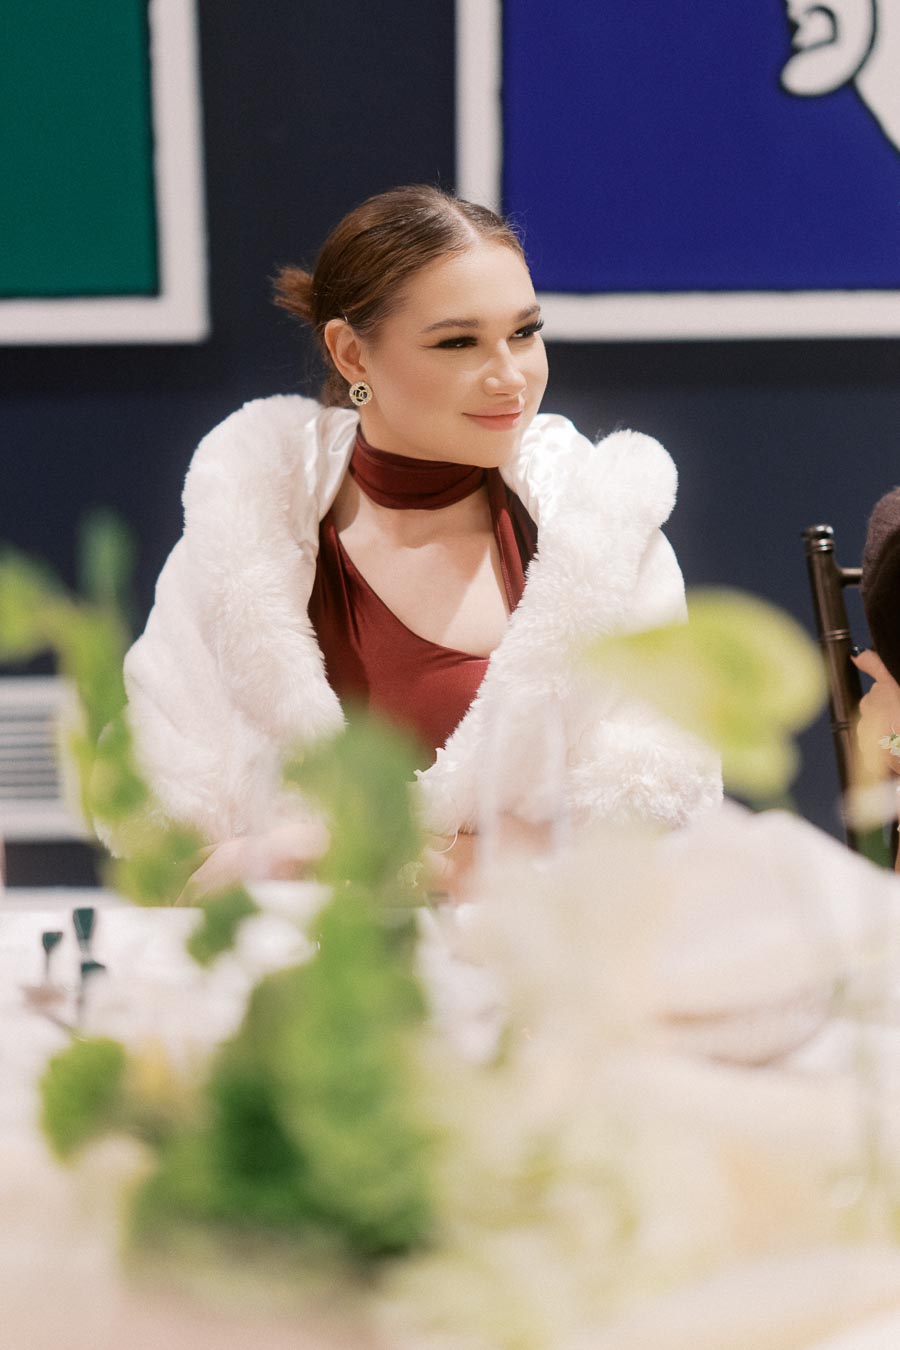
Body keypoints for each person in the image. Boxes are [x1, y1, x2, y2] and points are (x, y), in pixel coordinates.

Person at [123, 185, 721, 893]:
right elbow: (161, 846)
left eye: (525, 332)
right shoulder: (237, 535)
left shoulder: (605, 535)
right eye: (459, 342)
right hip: (297, 984)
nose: (511, 377)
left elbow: (656, 829)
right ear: (351, 355)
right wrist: (282, 854)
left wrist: (392, 863)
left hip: (525, 986)